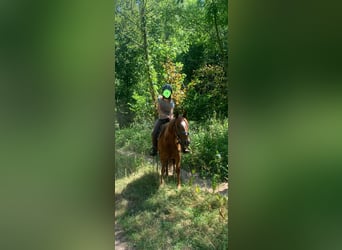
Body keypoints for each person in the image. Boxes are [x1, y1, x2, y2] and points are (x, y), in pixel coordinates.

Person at [150, 84, 175, 156]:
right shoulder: (160, 100)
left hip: (169, 119)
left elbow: (171, 112)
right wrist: (165, 115)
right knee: (154, 133)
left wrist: (170, 116)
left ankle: (182, 147)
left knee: (178, 130)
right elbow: (159, 110)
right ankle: (154, 148)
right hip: (161, 119)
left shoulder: (172, 103)